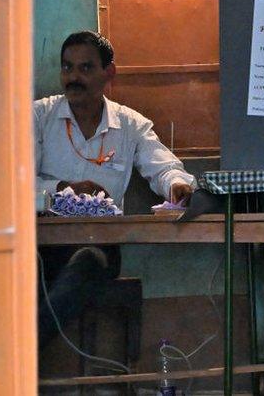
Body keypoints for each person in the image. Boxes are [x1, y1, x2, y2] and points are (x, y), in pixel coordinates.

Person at [35, 30, 196, 348]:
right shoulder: (39, 116)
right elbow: (11, 185)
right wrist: (62, 189)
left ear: (109, 73)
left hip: (99, 247)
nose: (74, 78)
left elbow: (165, 169)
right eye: (67, 68)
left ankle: (23, 353)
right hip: (43, 243)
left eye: (85, 68)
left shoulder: (131, 125)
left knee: (84, 264)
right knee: (18, 269)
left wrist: (178, 186)